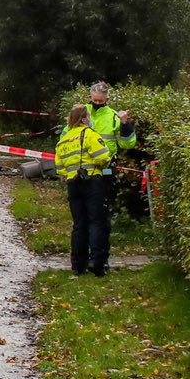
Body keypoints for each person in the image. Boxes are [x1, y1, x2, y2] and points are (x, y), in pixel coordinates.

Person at [55, 104, 115, 275]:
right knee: (96, 221)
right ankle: (97, 262)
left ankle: (78, 264)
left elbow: (59, 166)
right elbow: (103, 156)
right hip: (92, 181)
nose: (90, 120)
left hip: (73, 184)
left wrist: (68, 172)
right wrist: (105, 163)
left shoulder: (64, 140)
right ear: (83, 119)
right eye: (88, 117)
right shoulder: (89, 135)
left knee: (79, 224)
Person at [87, 81, 136, 218]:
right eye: (94, 100)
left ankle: (99, 237)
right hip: (82, 166)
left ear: (107, 100)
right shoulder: (81, 112)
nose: (97, 103)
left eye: (100, 100)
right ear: (90, 97)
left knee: (101, 210)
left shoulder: (114, 116)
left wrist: (125, 124)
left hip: (104, 168)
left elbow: (127, 144)